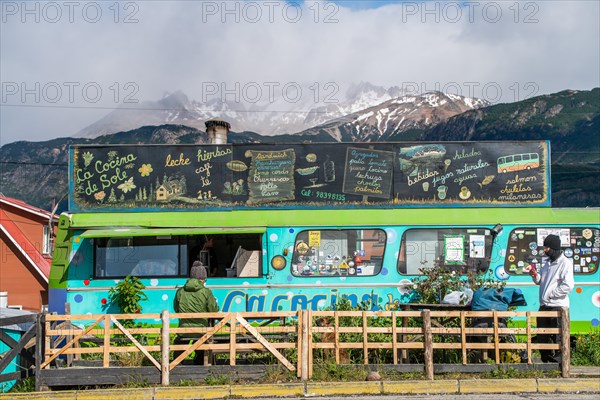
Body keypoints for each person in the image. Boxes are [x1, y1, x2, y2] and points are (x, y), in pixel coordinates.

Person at [528, 234, 574, 363]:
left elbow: (568, 285)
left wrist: (551, 294)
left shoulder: (565, 263)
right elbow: (541, 281)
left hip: (558, 304)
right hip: (544, 305)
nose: (545, 250)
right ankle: (546, 359)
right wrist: (535, 276)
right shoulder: (547, 263)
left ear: (554, 247)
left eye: (547, 247)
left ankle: (560, 361)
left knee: (559, 334)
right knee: (543, 333)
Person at [173, 261, 219, 365]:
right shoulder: (206, 292)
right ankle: (199, 365)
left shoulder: (180, 291)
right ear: (202, 279)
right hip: (201, 330)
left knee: (179, 343)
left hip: (184, 330)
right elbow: (213, 311)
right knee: (201, 343)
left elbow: (176, 309)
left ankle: (176, 365)